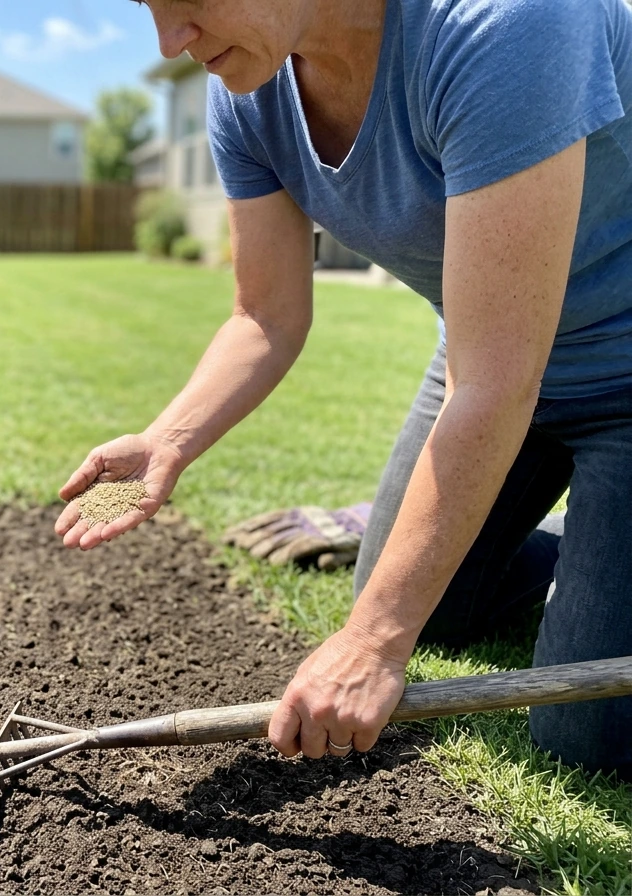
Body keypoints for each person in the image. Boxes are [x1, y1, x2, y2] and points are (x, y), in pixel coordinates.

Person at [55, 0, 632, 778]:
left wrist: (371, 642)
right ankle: (579, 552)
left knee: (587, 739)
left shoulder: (507, 22)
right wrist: (168, 437)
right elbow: (265, 316)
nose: (171, 41)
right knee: (430, 604)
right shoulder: (244, 92)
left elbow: (497, 381)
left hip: (563, 376)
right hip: (487, 361)